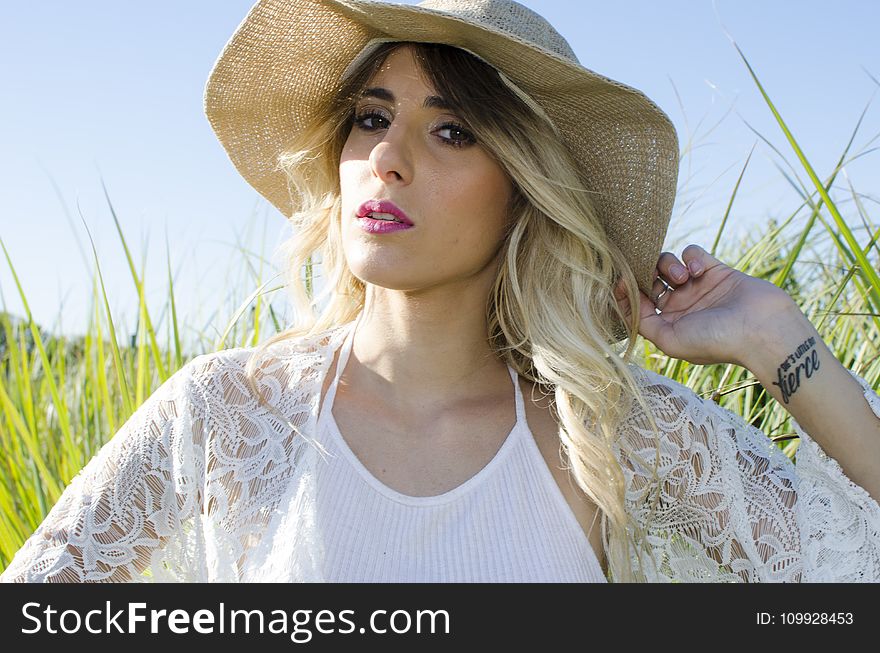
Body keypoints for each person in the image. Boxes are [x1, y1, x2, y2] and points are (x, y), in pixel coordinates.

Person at [2, 0, 879, 583]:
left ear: (525, 186)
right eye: (372, 117)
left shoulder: (614, 432)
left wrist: (776, 340)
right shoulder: (224, 414)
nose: (387, 156)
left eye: (451, 129)